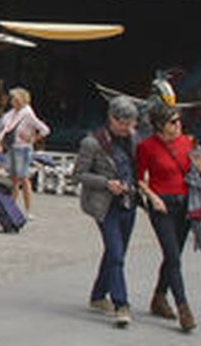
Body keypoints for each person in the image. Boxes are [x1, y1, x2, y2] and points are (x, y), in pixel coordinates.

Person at [76, 96, 141, 328]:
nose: (127, 128)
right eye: (123, 123)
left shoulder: (133, 139)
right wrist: (106, 183)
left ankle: (97, 295)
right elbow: (79, 174)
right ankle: (121, 304)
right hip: (105, 205)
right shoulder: (92, 143)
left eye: (131, 123)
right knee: (116, 253)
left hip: (128, 201)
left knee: (117, 251)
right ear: (112, 118)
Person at [136, 106, 197, 331]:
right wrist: (153, 197)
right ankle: (184, 308)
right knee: (172, 255)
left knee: (174, 256)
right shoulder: (146, 147)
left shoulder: (187, 142)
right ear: (160, 125)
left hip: (185, 204)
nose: (177, 125)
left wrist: (199, 169)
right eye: (172, 122)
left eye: (179, 121)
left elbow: (193, 170)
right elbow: (139, 178)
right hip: (162, 206)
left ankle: (159, 297)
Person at [0, 86, 51, 220]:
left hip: (23, 148)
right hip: (12, 147)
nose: (12, 101)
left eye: (14, 98)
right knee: (13, 179)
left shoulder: (27, 114)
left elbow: (44, 129)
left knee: (24, 178)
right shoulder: (10, 114)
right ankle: (12, 207)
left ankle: (28, 210)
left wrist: (32, 139)